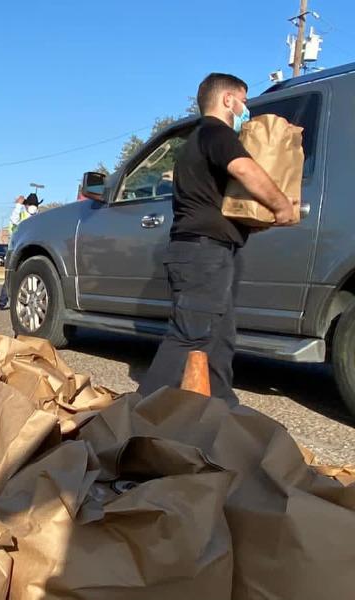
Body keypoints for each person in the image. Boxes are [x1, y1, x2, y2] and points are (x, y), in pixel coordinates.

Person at [138, 73, 299, 404]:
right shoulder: (216, 133)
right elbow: (245, 169)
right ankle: (133, 419)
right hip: (202, 254)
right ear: (228, 100)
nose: (246, 109)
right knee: (190, 336)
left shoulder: (198, 142)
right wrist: (281, 204)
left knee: (220, 340)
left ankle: (221, 411)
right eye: (243, 100)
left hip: (209, 253)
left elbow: (216, 203)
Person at [0, 193, 42, 310]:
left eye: (35, 205)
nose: (34, 207)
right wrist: (18, 205)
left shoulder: (38, 218)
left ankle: (28, 302)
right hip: (16, 249)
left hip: (32, 250)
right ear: (26, 205)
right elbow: (14, 220)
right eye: (31, 204)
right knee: (12, 276)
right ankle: (2, 301)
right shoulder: (20, 215)